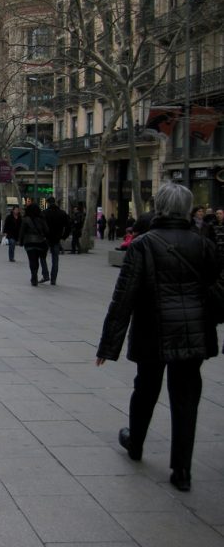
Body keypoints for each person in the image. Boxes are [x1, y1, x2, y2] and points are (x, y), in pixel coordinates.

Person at [96, 182, 222, 492]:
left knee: (146, 389)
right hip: (192, 334)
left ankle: (135, 443)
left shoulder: (143, 243)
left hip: (152, 331)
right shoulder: (203, 244)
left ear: (160, 206)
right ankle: (182, 471)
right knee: (186, 401)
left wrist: (107, 345)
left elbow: (124, 296)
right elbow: (218, 288)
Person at [41, 197, 70, 285]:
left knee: (42, 257)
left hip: (46, 238)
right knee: (55, 259)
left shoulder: (44, 213)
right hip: (57, 239)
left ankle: (45, 275)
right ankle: (53, 279)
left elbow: (40, 225)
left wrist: (42, 235)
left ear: (48, 203)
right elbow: (68, 226)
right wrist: (63, 236)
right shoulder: (62, 213)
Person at [18, 203, 49, 287]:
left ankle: (33, 276)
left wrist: (20, 241)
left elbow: (22, 231)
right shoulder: (41, 219)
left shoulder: (25, 219)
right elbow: (46, 230)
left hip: (29, 242)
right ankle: (35, 274)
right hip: (39, 242)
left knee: (32, 260)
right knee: (37, 259)